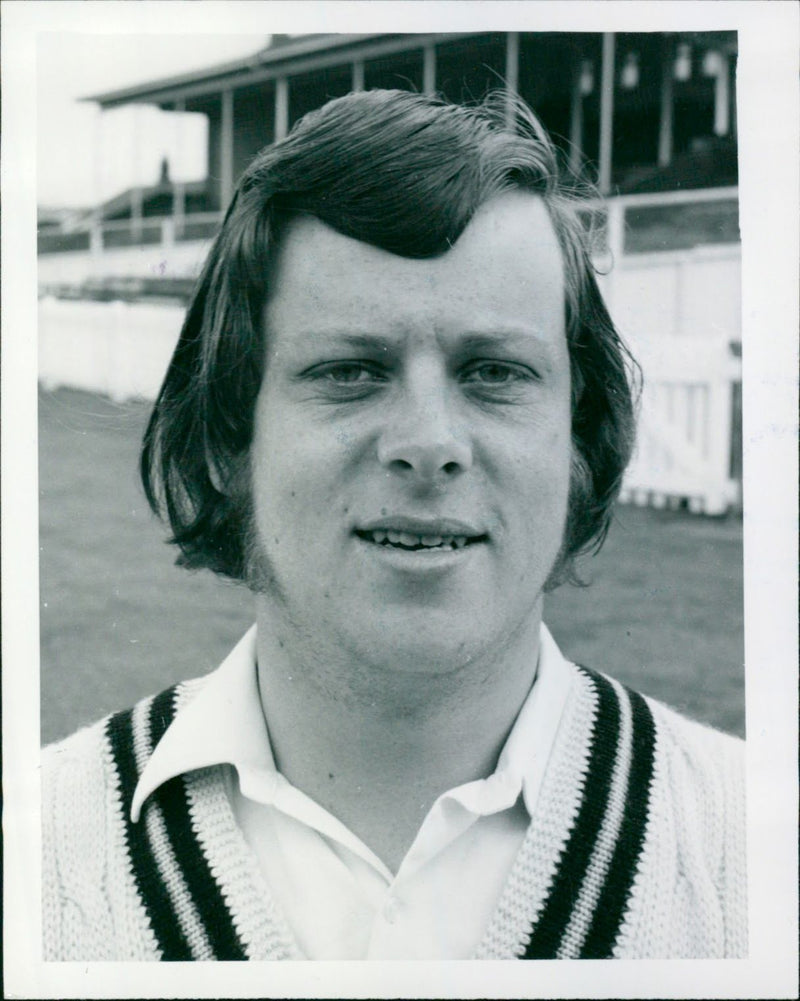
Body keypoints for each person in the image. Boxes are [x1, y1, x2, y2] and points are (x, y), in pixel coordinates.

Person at [41, 89, 746, 961]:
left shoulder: (751, 847)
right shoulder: (35, 853)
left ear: (578, 441)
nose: (428, 445)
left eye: (494, 371)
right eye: (349, 371)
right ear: (230, 435)